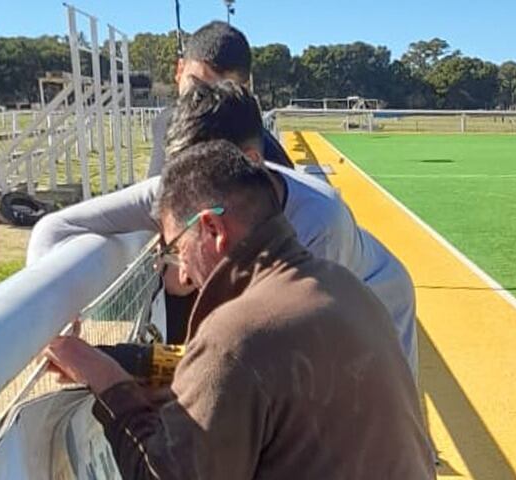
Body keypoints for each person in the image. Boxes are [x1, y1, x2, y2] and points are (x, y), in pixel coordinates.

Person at [44, 140, 434, 479]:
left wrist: (104, 378)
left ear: (212, 229)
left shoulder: (238, 334)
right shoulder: (345, 287)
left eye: (176, 247)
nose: (181, 271)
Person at [27, 79, 419, 379]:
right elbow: (54, 228)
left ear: (250, 163)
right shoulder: (185, 186)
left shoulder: (319, 222)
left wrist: (128, 365)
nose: (182, 194)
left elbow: (278, 358)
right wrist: (50, 320)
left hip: (376, 298)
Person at [148, 20, 292, 174]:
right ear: (179, 71)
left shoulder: (272, 162)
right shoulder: (164, 123)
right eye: (197, 85)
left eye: (222, 93)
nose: (205, 101)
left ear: (244, 90)